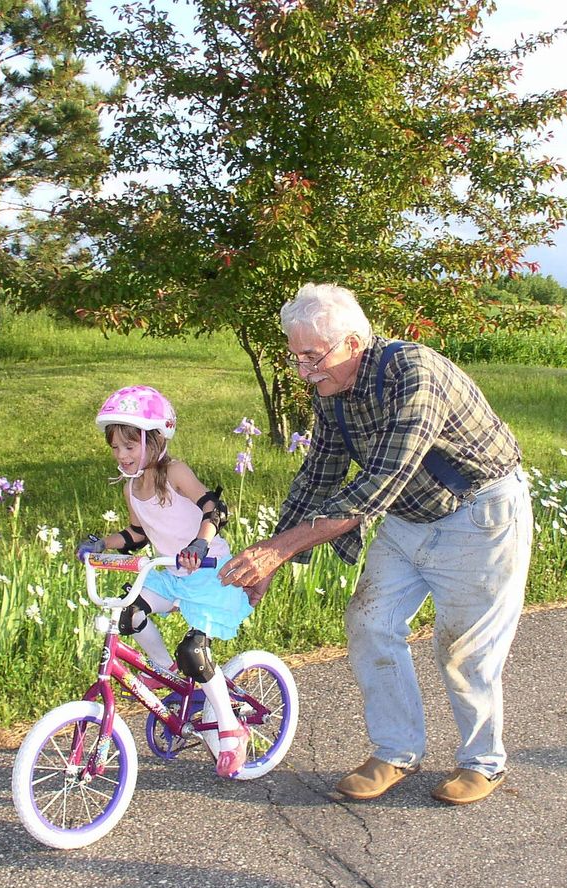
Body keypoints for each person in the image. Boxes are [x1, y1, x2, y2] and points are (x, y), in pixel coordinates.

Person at [219, 283, 532, 805]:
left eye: (312, 356)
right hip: (409, 517)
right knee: (369, 622)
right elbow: (318, 475)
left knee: (464, 650)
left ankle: (483, 762)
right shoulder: (331, 392)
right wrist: (273, 555)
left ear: (352, 343)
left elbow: (379, 483)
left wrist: (282, 549)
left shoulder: (415, 374)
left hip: (479, 515)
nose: (302, 370)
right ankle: (396, 752)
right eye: (295, 356)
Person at [77, 385, 256, 777]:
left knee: (194, 651)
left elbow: (214, 508)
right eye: (116, 449)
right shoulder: (131, 488)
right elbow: (136, 536)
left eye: (130, 446)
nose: (122, 456)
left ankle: (230, 729)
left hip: (210, 574)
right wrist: (100, 543)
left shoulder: (174, 472)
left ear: (155, 439)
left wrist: (199, 543)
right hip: (172, 574)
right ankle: (167, 673)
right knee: (129, 613)